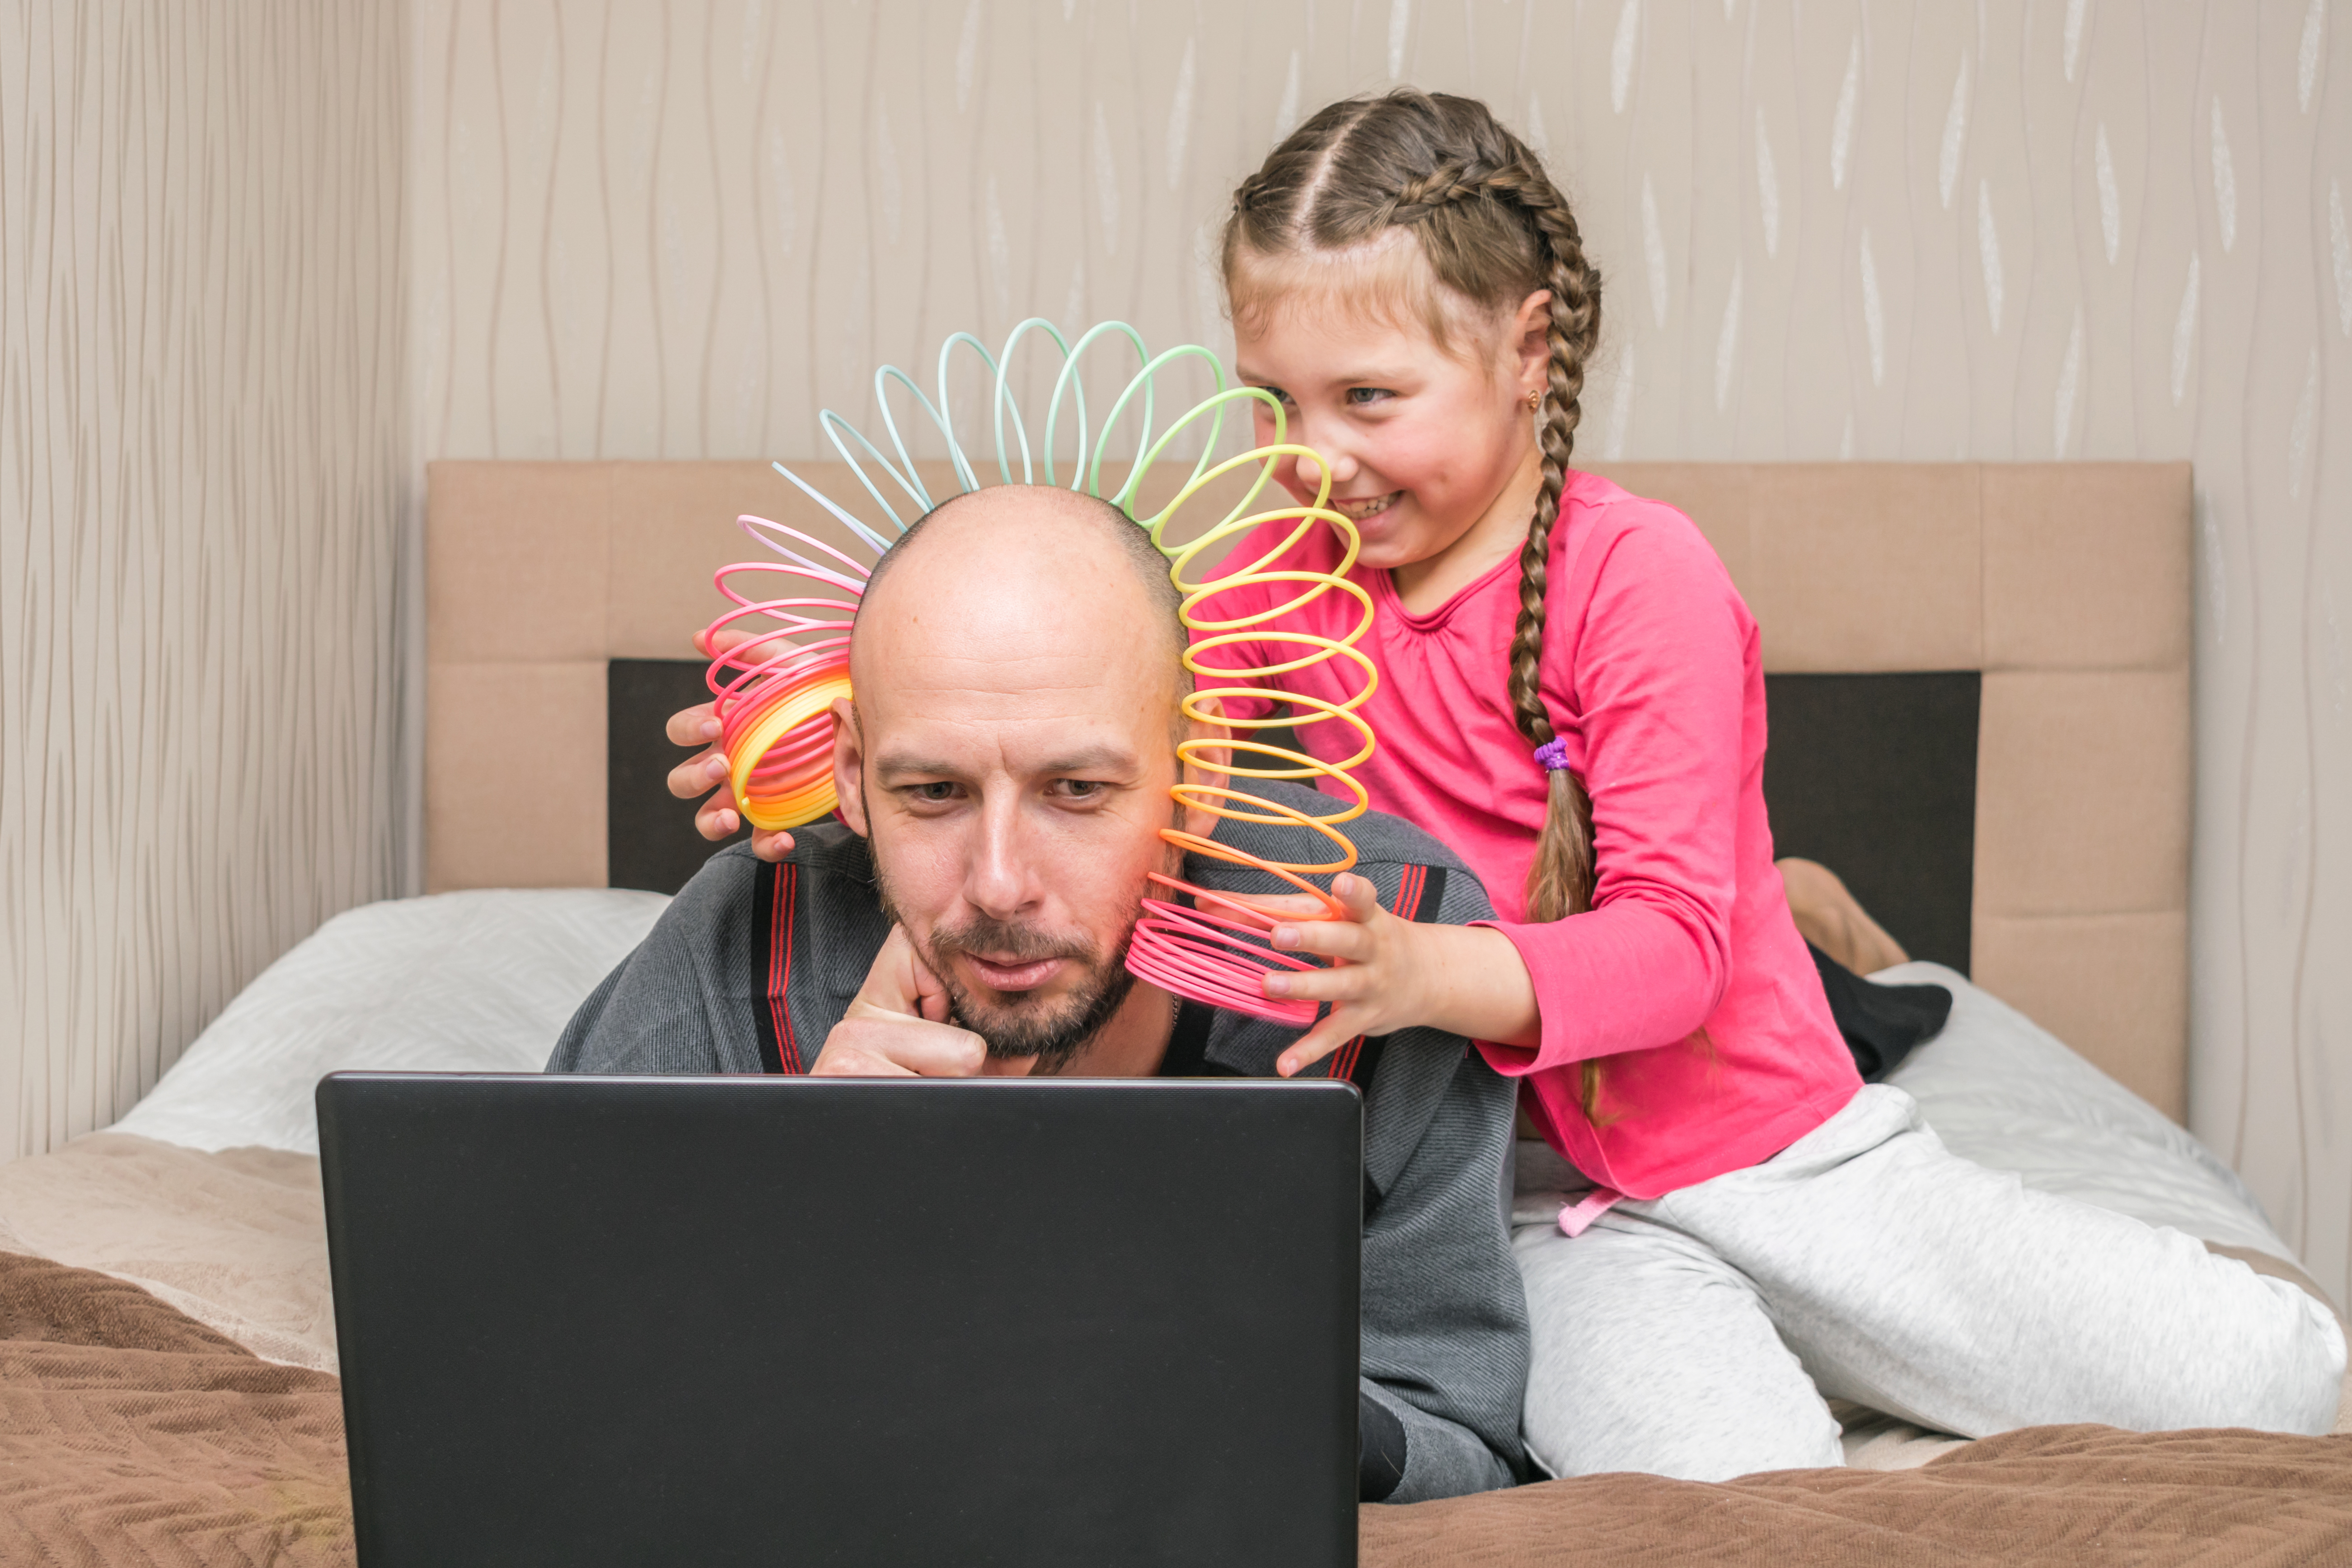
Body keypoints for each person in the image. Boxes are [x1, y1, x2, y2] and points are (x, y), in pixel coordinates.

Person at [670, 88, 2346, 1484]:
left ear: (1526, 348)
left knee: (2269, 1377)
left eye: (1370, 398)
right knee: (1736, 1498)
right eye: (1271, 402)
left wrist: (1414, 973)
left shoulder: (1640, 577)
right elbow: (1097, 762)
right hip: (1543, 1218)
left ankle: (1857, 1085)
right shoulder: (1261, 588)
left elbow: (1678, 947)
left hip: (1774, 1149)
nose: (1315, 453)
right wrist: (820, 750)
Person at [555, 484, 1530, 1504]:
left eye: (1076, 791)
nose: (998, 882)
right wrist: (806, 1199)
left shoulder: (1392, 952)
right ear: (850, 773)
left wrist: (1220, 1386)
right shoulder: (744, 949)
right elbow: (538, 1357)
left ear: (1194, 775)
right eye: (932, 791)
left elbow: (1458, 1436)